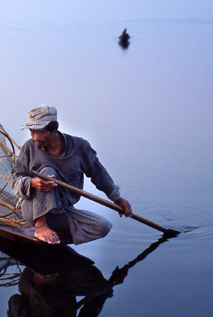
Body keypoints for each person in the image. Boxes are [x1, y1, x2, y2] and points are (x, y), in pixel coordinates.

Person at [12, 104, 132, 244]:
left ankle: (54, 236)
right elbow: (15, 182)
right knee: (47, 173)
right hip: (34, 210)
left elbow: (99, 174)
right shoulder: (29, 147)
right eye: (32, 131)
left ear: (54, 129)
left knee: (103, 227)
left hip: (62, 210)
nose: (35, 137)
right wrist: (32, 183)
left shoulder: (80, 147)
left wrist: (117, 199)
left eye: (41, 132)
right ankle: (41, 227)